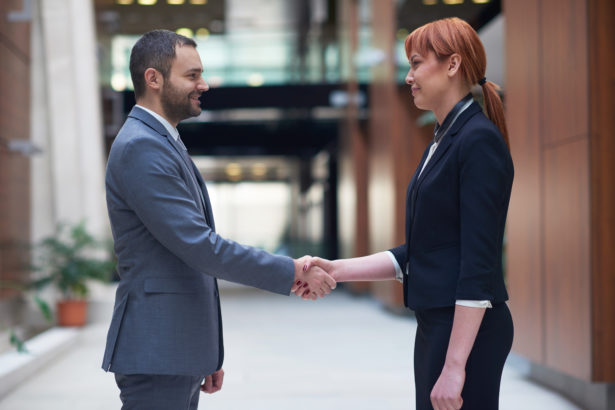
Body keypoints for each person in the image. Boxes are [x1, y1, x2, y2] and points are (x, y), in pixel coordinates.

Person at [102, 29, 335, 410]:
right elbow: (200, 246)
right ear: (154, 79)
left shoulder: (162, 141)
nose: (204, 85)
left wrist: (205, 352)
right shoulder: (142, 146)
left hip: (175, 350)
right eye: (192, 75)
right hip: (158, 351)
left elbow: (186, 259)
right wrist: (291, 270)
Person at [305, 17, 514, 410]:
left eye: (416, 63)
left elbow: (478, 265)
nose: (408, 77)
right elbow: (425, 250)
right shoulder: (443, 138)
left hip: (467, 334)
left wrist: (455, 366)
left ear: (452, 65)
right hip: (440, 325)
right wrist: (337, 269)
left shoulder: (476, 140)